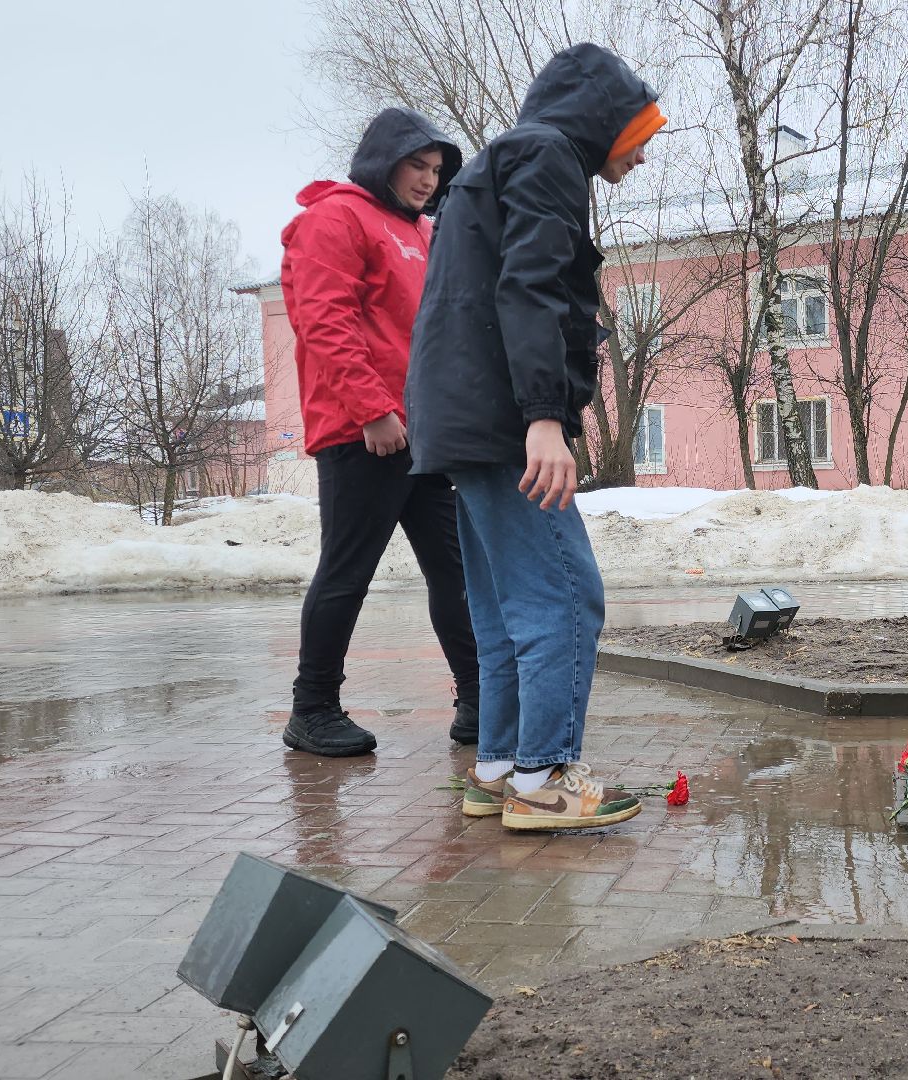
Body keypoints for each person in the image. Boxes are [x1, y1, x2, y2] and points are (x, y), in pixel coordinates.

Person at [405, 43, 665, 828]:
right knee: (566, 597)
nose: (645, 153)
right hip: (502, 421)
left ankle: (498, 768)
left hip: (461, 418)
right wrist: (544, 420)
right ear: (606, 122)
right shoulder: (550, 160)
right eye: (641, 134)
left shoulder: (497, 163)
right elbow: (533, 289)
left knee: (504, 606)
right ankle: (546, 777)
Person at [279, 108, 482, 757]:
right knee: (348, 570)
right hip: (360, 429)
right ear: (383, 159)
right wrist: (371, 408)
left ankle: (480, 698)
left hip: (422, 431)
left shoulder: (422, 230)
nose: (427, 180)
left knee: (455, 569)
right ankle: (312, 709)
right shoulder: (334, 218)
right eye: (416, 166)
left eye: (435, 170)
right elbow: (324, 318)